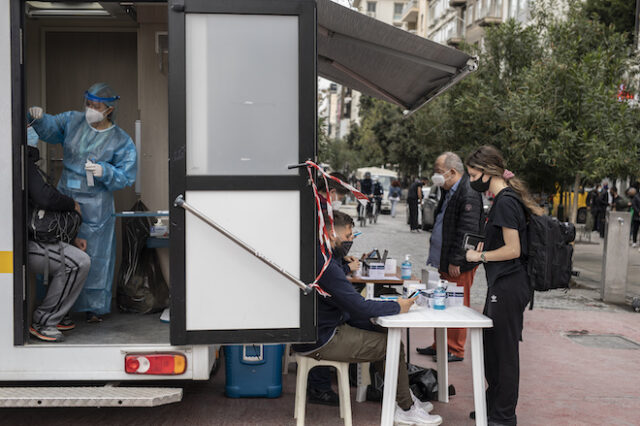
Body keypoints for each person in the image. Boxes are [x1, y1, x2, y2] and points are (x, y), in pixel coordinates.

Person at [293, 211, 443, 425]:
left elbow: (353, 304)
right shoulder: (326, 265)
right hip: (323, 337)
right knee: (391, 346)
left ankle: (403, 399)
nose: (350, 241)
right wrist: (397, 306)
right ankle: (406, 409)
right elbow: (359, 307)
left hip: (320, 329)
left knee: (383, 332)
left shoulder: (321, 255)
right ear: (330, 233)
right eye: (348, 236)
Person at [28, 83, 137, 322]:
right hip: (65, 197)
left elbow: (127, 175)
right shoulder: (72, 121)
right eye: (88, 104)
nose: (90, 110)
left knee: (96, 257)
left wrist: (104, 171)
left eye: (96, 106)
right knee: (59, 253)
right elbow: (50, 130)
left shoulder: (120, 140)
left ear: (108, 110)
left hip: (97, 205)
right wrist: (38, 118)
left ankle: (95, 309)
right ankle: (59, 308)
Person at [464, 145, 543, 426]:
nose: (471, 179)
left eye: (473, 174)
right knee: (492, 346)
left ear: (486, 173)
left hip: (510, 284)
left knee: (504, 351)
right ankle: (493, 403)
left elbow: (513, 249)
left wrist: (480, 255)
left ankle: (504, 415)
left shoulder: (506, 201)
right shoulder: (501, 200)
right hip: (502, 283)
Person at [416, 152, 483, 363]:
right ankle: (440, 344)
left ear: (452, 172)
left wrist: (457, 260)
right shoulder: (449, 190)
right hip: (445, 259)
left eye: (438, 171)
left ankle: (454, 349)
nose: (435, 176)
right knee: (442, 302)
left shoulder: (468, 191)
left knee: (456, 304)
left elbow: (468, 231)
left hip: (458, 263)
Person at [26, 143, 91, 342]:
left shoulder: (23, 160)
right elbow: (44, 197)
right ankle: (44, 320)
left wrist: (71, 239)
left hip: (31, 239)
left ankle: (56, 315)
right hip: (20, 246)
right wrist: (72, 204)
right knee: (78, 263)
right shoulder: (20, 160)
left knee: (78, 259)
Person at [308, 172, 360, 406]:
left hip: (325, 283)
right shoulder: (319, 208)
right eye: (339, 195)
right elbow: (326, 255)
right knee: (353, 314)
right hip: (324, 308)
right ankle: (320, 386)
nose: (338, 200)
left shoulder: (315, 205)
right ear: (331, 192)